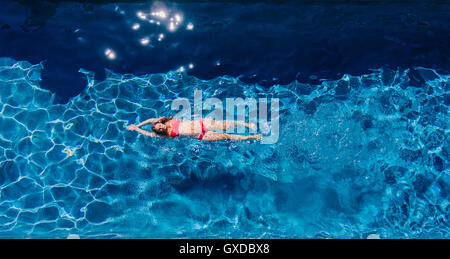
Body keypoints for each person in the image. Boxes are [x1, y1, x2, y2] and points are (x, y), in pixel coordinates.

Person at [126, 117, 262, 141]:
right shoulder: (164, 135)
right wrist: (137, 130)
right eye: (158, 129)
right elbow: (148, 134)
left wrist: (137, 125)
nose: (160, 127)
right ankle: (252, 137)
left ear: (160, 123)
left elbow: (150, 120)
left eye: (159, 125)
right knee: (227, 137)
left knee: (224, 125)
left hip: (202, 124)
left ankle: (245, 125)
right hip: (200, 136)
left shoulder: (167, 120)